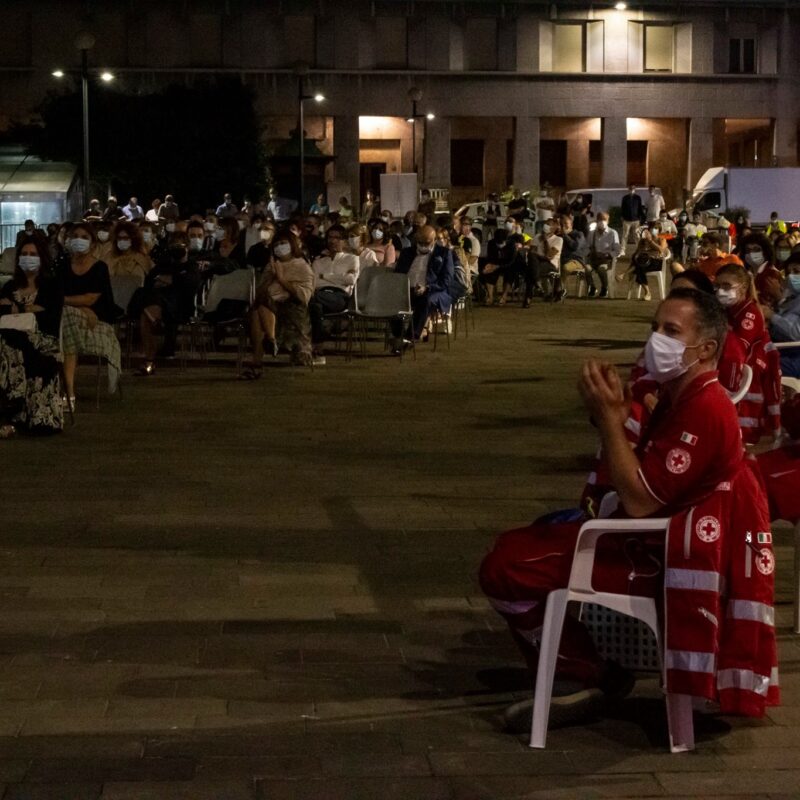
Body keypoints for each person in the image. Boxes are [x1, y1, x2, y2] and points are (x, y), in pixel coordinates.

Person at [481, 288, 778, 729]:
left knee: (506, 567)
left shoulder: (705, 409)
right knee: (525, 542)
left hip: (660, 555)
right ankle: (578, 671)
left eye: (671, 332)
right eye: (655, 328)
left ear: (707, 348)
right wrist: (619, 421)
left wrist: (609, 423)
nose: (656, 340)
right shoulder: (679, 397)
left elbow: (639, 500)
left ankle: (582, 673)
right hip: (653, 538)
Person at [0, 239, 64, 437]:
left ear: (42, 258)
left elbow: (49, 317)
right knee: (9, 340)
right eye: (25, 254)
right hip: (11, 339)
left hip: (42, 340)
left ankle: (10, 411)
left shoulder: (51, 286)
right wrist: (26, 310)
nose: (28, 258)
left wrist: (15, 308)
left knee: (10, 340)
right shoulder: (10, 286)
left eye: (33, 254)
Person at [714, 262, 781, 444]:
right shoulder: (728, 310)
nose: (720, 291)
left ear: (742, 287)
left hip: (745, 372)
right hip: (727, 365)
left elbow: (737, 350)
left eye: (726, 286)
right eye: (717, 286)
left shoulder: (749, 314)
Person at [59, 223, 121, 409]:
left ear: (93, 244)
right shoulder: (62, 266)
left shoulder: (99, 267)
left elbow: (92, 298)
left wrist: (71, 304)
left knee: (67, 318)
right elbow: (55, 294)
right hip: (68, 319)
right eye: (75, 236)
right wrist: (79, 308)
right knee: (66, 318)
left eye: (85, 237)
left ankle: (68, 392)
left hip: (97, 321)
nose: (79, 240)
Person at [134, 224, 204, 374]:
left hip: (180, 307)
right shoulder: (163, 264)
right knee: (147, 296)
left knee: (148, 307)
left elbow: (192, 284)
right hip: (159, 306)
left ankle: (149, 361)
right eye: (174, 244)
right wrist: (169, 280)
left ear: (187, 247)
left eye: (181, 244)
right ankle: (155, 323)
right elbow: (150, 281)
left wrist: (171, 280)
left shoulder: (191, 265)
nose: (177, 247)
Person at [244, 231, 315, 376]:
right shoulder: (271, 266)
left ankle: (259, 357)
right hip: (270, 304)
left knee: (259, 309)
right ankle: (270, 340)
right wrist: (271, 276)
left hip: (291, 306)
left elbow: (303, 295)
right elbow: (261, 291)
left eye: (283, 243)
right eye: (276, 244)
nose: (279, 247)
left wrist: (281, 279)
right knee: (259, 307)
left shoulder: (302, 266)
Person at [392, 225, 454, 346]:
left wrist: (427, 287)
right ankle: (399, 335)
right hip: (407, 289)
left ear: (434, 240)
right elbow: (398, 274)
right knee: (392, 299)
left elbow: (446, 280)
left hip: (432, 290)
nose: (423, 245)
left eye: (427, 243)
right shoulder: (407, 252)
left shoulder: (444, 254)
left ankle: (411, 337)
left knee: (425, 300)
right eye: (420, 242)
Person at [309, 224, 359, 362]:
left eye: (337, 238)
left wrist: (324, 276)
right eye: (330, 237)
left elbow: (350, 280)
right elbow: (315, 283)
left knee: (311, 299)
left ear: (344, 241)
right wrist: (337, 278)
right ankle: (318, 349)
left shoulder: (351, 259)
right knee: (315, 307)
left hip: (339, 296)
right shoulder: (319, 262)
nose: (333, 241)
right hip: (320, 294)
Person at [763, 253, 800, 378]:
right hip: (782, 347)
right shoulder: (793, 297)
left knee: (759, 364)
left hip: (795, 354)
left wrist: (771, 315)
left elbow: (796, 333)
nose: (791, 277)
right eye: (789, 272)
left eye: (797, 271)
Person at [621, 227, 667, 301]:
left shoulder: (661, 239)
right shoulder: (642, 241)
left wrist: (651, 241)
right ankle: (647, 292)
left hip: (656, 262)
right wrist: (639, 252)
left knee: (638, 268)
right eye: (651, 229)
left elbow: (661, 249)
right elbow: (636, 253)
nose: (652, 231)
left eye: (655, 228)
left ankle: (625, 274)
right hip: (643, 262)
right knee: (639, 264)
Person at [738, 232, 783, 308]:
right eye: (748, 250)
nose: (752, 253)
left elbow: (767, 304)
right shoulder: (745, 273)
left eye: (756, 250)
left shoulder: (772, 274)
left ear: (766, 252)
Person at [585, 212, 620, 298]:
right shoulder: (592, 233)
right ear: (596, 220)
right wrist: (590, 252)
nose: (602, 222)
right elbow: (586, 247)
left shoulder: (612, 233)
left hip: (606, 260)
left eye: (604, 219)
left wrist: (607, 255)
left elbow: (617, 250)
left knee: (601, 269)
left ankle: (605, 288)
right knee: (586, 268)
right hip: (593, 259)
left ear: (608, 221)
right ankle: (592, 287)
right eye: (600, 219)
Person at [555, 214, 588, 302]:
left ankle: (560, 290)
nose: (564, 226)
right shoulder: (558, 236)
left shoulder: (578, 234)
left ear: (571, 225)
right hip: (562, 260)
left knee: (565, 268)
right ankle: (550, 291)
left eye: (566, 224)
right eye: (562, 224)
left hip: (576, 261)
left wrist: (565, 235)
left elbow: (575, 246)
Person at [620, 185, 643, 256]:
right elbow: (622, 208)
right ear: (628, 189)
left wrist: (640, 218)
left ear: (635, 189)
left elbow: (640, 208)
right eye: (630, 188)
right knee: (625, 235)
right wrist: (622, 217)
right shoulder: (625, 198)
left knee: (637, 235)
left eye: (633, 188)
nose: (631, 190)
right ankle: (623, 250)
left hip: (636, 220)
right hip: (627, 220)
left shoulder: (638, 198)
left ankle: (640, 249)